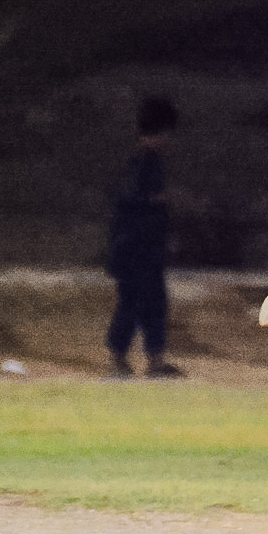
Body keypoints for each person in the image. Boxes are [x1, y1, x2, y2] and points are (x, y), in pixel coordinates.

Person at [106, 97, 182, 379]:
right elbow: (131, 203)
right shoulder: (144, 164)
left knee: (146, 302)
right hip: (138, 248)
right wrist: (158, 201)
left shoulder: (139, 162)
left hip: (138, 247)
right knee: (139, 303)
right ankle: (127, 359)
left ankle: (147, 359)